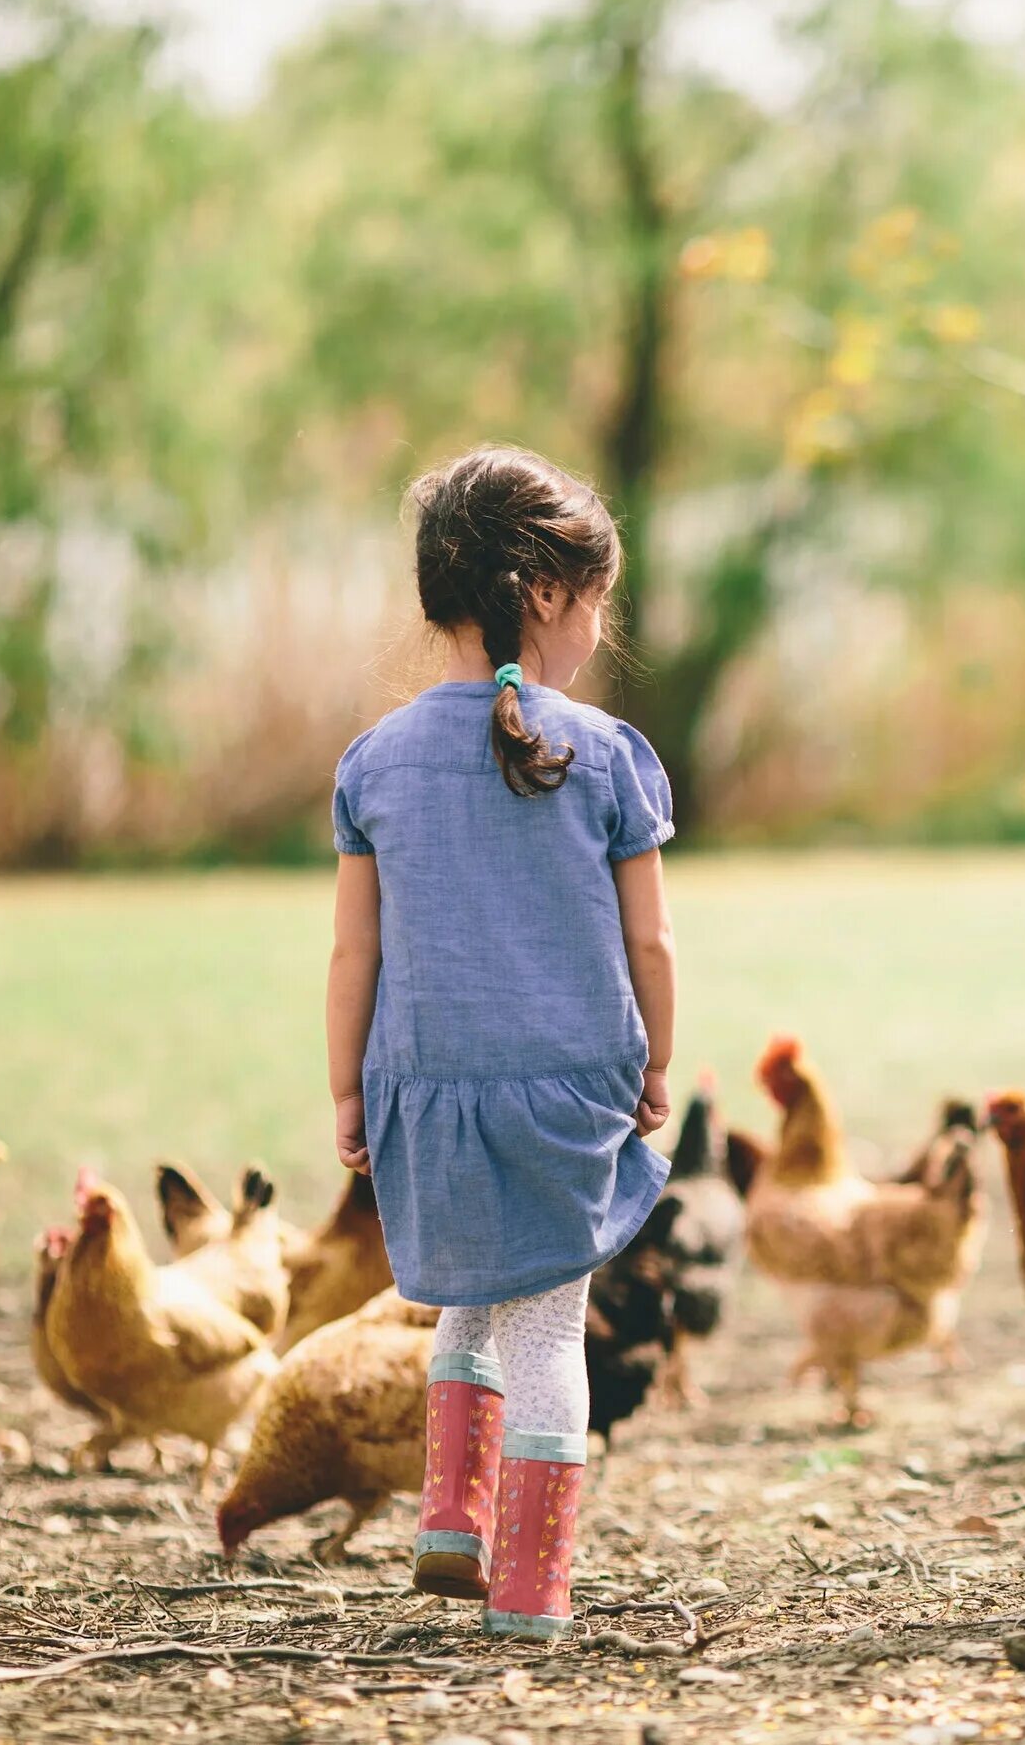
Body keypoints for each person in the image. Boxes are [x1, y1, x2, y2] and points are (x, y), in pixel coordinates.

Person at [326, 446, 676, 1638]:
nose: (600, 626)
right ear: (545, 595)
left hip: (424, 1093)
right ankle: (530, 1583)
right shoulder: (610, 756)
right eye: (596, 600)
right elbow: (653, 948)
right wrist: (659, 1061)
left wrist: (346, 1093)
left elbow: (353, 957)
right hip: (564, 1096)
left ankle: (448, 1523)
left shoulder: (373, 763)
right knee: (547, 1324)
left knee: (469, 1306)